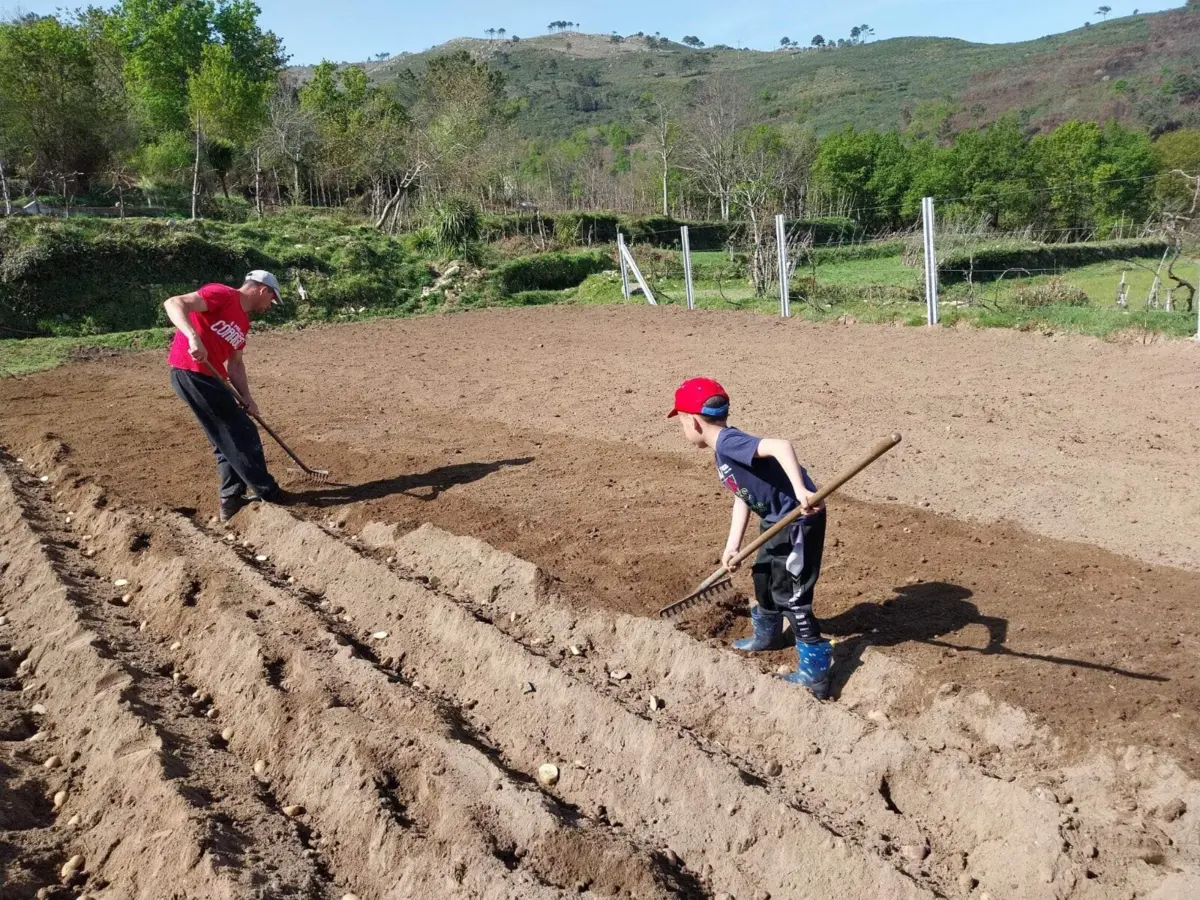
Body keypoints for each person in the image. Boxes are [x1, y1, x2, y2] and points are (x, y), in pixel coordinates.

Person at [669, 377, 834, 699]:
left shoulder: (730, 443)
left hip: (799, 521)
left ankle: (816, 669)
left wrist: (801, 490)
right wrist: (733, 545)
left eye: (681, 423)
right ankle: (769, 636)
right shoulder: (723, 450)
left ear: (693, 421)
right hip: (774, 520)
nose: (683, 429)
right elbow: (742, 495)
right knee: (764, 577)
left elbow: (780, 445)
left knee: (794, 594)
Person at [164, 271, 289, 522]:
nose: (269, 306)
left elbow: (236, 365)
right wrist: (193, 336)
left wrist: (247, 397)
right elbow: (174, 303)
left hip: (213, 378)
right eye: (271, 300)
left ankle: (231, 499)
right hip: (192, 372)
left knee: (225, 438)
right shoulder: (222, 295)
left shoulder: (243, 322)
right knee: (242, 433)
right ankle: (267, 491)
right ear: (263, 291)